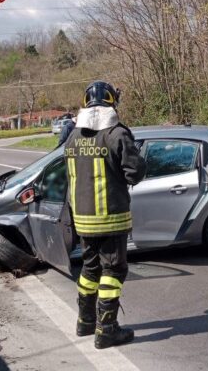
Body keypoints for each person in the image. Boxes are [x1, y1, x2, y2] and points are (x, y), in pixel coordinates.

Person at [64, 81, 146, 349]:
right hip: (111, 218)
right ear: (112, 102)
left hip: (83, 220)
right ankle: (106, 330)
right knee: (113, 270)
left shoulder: (73, 137)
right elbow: (135, 173)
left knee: (89, 268)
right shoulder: (117, 134)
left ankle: (85, 321)